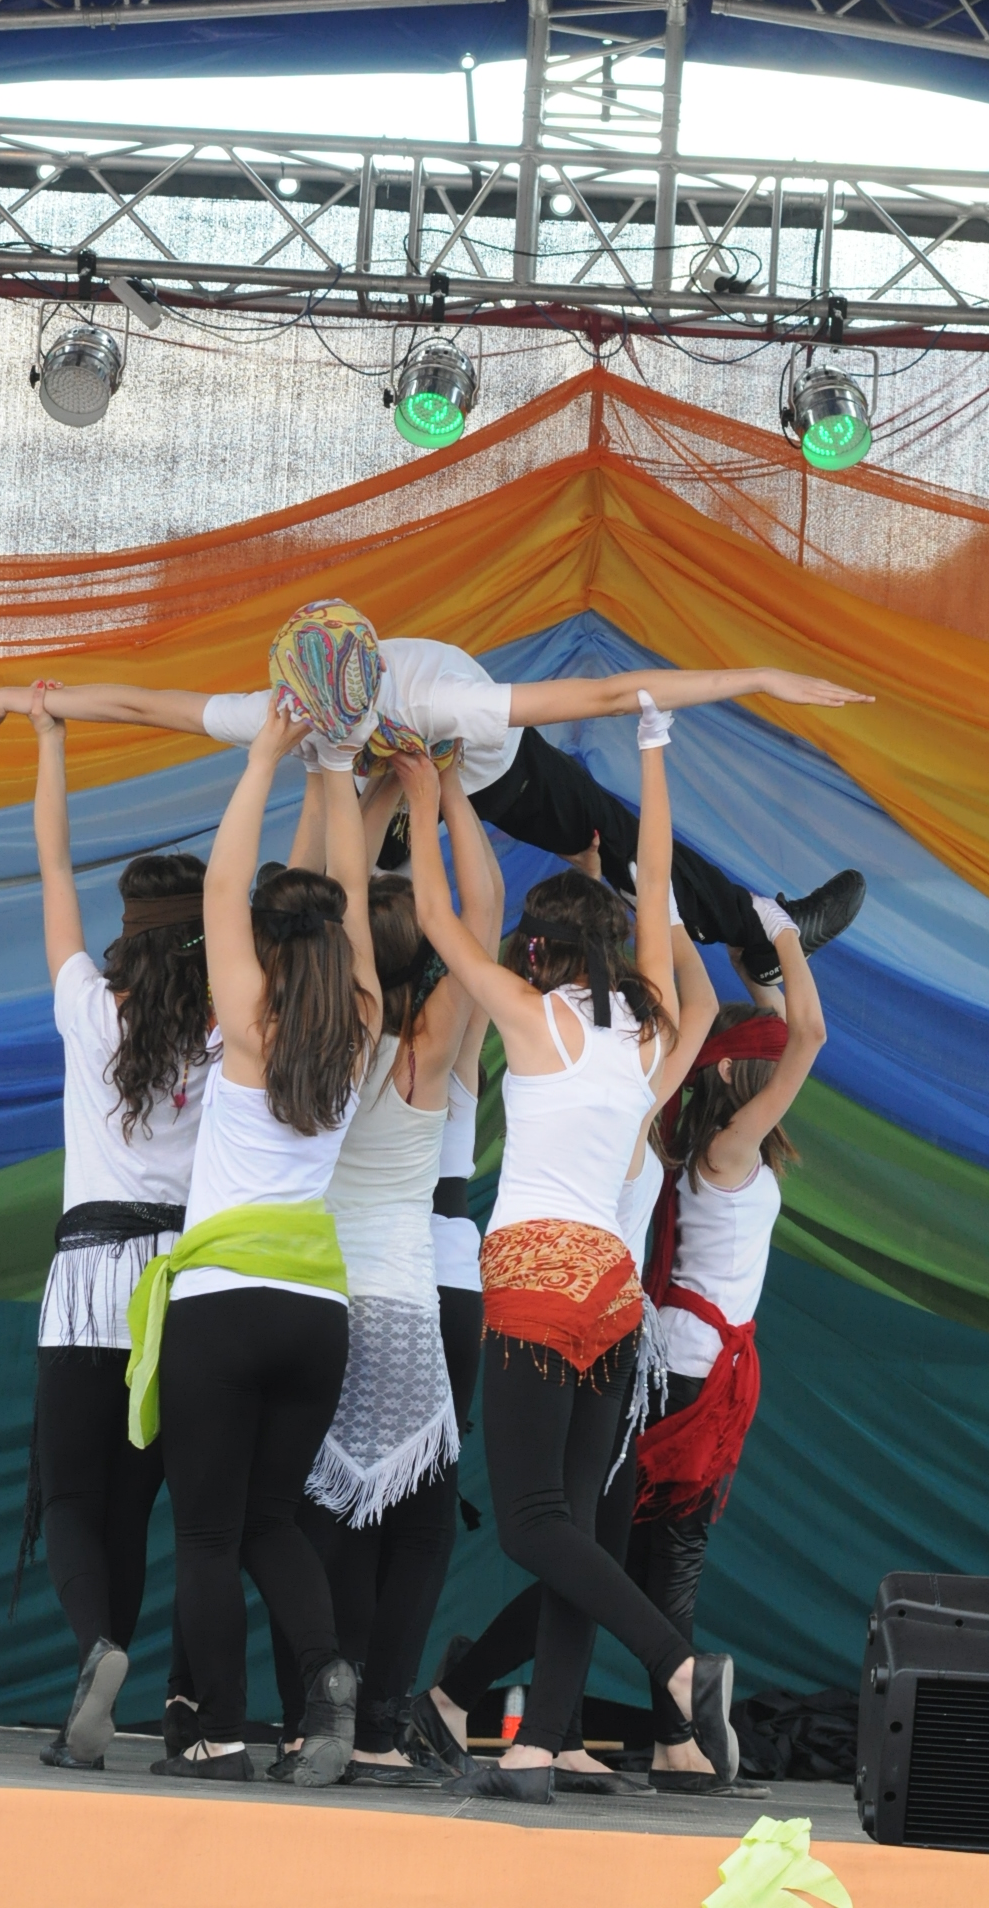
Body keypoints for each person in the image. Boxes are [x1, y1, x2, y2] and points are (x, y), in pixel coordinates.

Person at [395, 692, 739, 1804]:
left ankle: (675, 1663)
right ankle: (538, 1742)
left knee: (538, 1525)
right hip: (614, 1297)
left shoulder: (528, 1015)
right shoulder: (652, 1032)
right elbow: (657, 887)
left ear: (535, 952)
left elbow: (438, 916)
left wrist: (429, 791)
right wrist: (653, 748)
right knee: (578, 1525)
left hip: (535, 1280)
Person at [0, 598, 872, 986]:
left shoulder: (440, 700)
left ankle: (759, 932)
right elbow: (140, 704)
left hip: (489, 773)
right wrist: (19, 699)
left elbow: (612, 695)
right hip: (386, 798)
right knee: (335, 900)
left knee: (606, 831)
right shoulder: (282, 711)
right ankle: (359, 993)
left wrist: (760, 677)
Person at [123, 703, 381, 1786]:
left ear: (271, 948)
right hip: (317, 1313)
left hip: (223, 1303)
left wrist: (268, 755)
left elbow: (221, 886)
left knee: (207, 1537)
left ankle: (217, 1736)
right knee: (273, 1518)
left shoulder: (248, 1020)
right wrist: (336, 770)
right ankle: (325, 1671)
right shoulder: (361, 1022)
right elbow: (349, 894)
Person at [271, 753, 500, 1786]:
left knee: (322, 1516)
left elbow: (340, 911)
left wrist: (348, 790)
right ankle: (374, 1725)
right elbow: (481, 917)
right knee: (418, 1526)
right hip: (406, 1304)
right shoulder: (428, 1044)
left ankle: (307, 1716)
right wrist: (435, 794)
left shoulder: (332, 1029)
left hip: (324, 1295)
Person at [15, 682, 216, 1773]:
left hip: (89, 1273)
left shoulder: (87, 1004)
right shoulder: (228, 1034)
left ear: (126, 937)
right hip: (180, 1284)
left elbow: (53, 865)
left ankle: (96, 1648)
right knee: (136, 1505)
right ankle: (125, 1688)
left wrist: (49, 737)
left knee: (68, 1494)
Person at [628, 920, 825, 1794]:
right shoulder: (729, 1149)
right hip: (693, 1373)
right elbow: (807, 1037)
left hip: (688, 1364)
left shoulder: (713, 1143)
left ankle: (670, 1738)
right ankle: (673, 1739)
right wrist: (785, 934)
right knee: (665, 1558)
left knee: (640, 1557)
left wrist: (755, 969)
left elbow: (781, 1033)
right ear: (748, 1080)